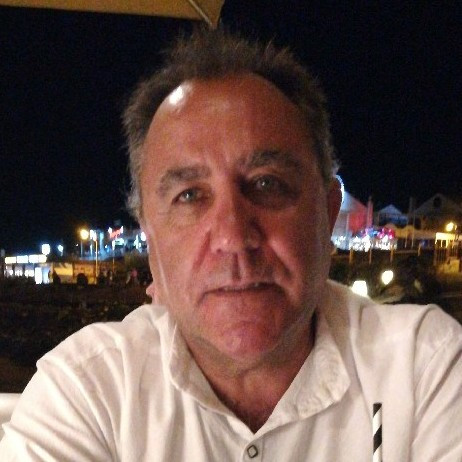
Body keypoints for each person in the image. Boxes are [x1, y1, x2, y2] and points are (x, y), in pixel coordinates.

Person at [1, 29, 461, 461]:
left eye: (267, 184)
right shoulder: (87, 392)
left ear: (326, 212)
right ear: (151, 237)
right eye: (189, 196)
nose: (233, 237)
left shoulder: (425, 368)